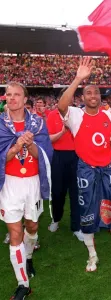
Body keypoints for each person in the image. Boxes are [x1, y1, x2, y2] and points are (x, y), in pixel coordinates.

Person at [58, 57, 111, 280]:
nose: (93, 96)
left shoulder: (107, 117)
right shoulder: (75, 115)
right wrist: (78, 78)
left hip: (107, 170)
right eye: (89, 93)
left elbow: (110, 139)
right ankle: (92, 255)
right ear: (83, 97)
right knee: (88, 215)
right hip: (86, 170)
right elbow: (61, 106)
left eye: (96, 93)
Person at [0, 82, 52, 299]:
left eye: (16, 95)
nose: (11, 98)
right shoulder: (0, 124)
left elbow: (47, 156)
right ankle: (23, 284)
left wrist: (30, 145)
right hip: (10, 183)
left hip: (32, 183)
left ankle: (28, 255)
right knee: (15, 233)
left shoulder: (38, 123)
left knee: (32, 225)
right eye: (8, 94)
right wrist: (15, 146)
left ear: (24, 99)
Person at [47, 88, 83, 242]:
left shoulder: (78, 113)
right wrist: (63, 131)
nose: (68, 99)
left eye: (71, 96)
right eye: (64, 96)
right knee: (57, 192)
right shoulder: (52, 115)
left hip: (76, 156)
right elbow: (49, 139)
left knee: (76, 192)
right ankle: (56, 219)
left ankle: (76, 227)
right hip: (58, 156)